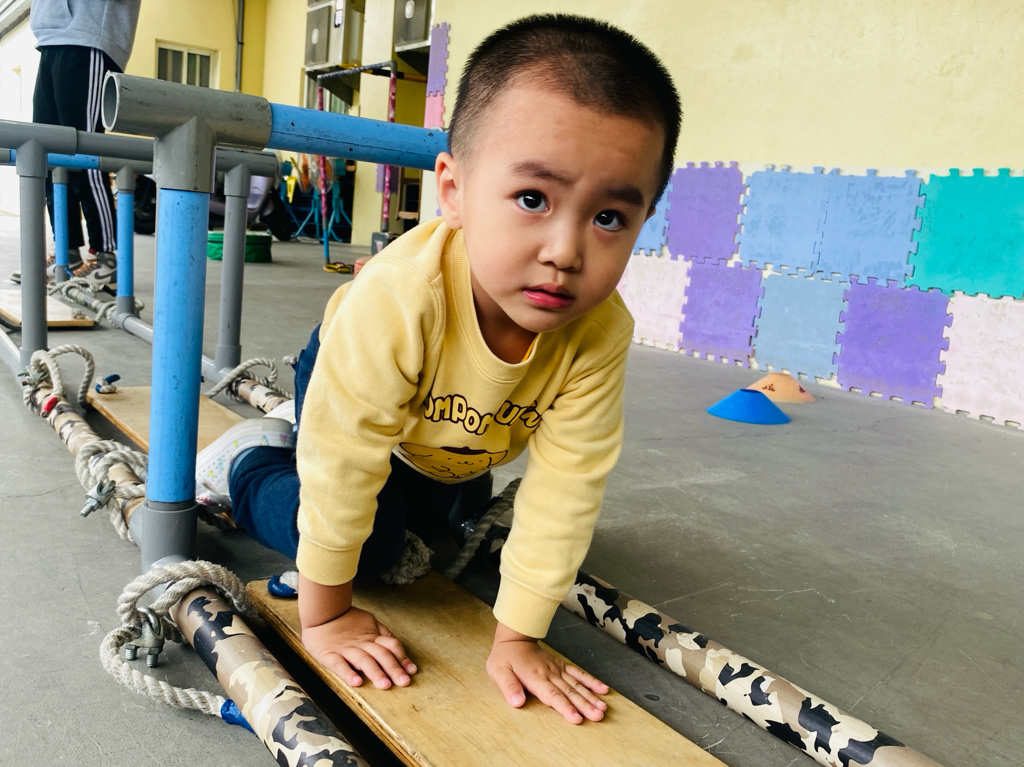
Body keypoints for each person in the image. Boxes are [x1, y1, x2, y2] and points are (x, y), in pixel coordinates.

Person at [196, 13, 681, 724]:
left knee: (447, 522)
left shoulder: (600, 332)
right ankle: (250, 466)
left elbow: (568, 485)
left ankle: (413, 488)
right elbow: (345, 461)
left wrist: (517, 638)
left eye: (609, 217)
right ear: (452, 190)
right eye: (533, 199)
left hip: (452, 434)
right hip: (348, 380)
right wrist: (326, 615)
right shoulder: (398, 298)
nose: (565, 251)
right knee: (371, 545)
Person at [24, 0, 142, 288]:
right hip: (50, 38)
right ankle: (67, 252)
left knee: (85, 154)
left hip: (88, 36)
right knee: (50, 159)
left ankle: (106, 257)